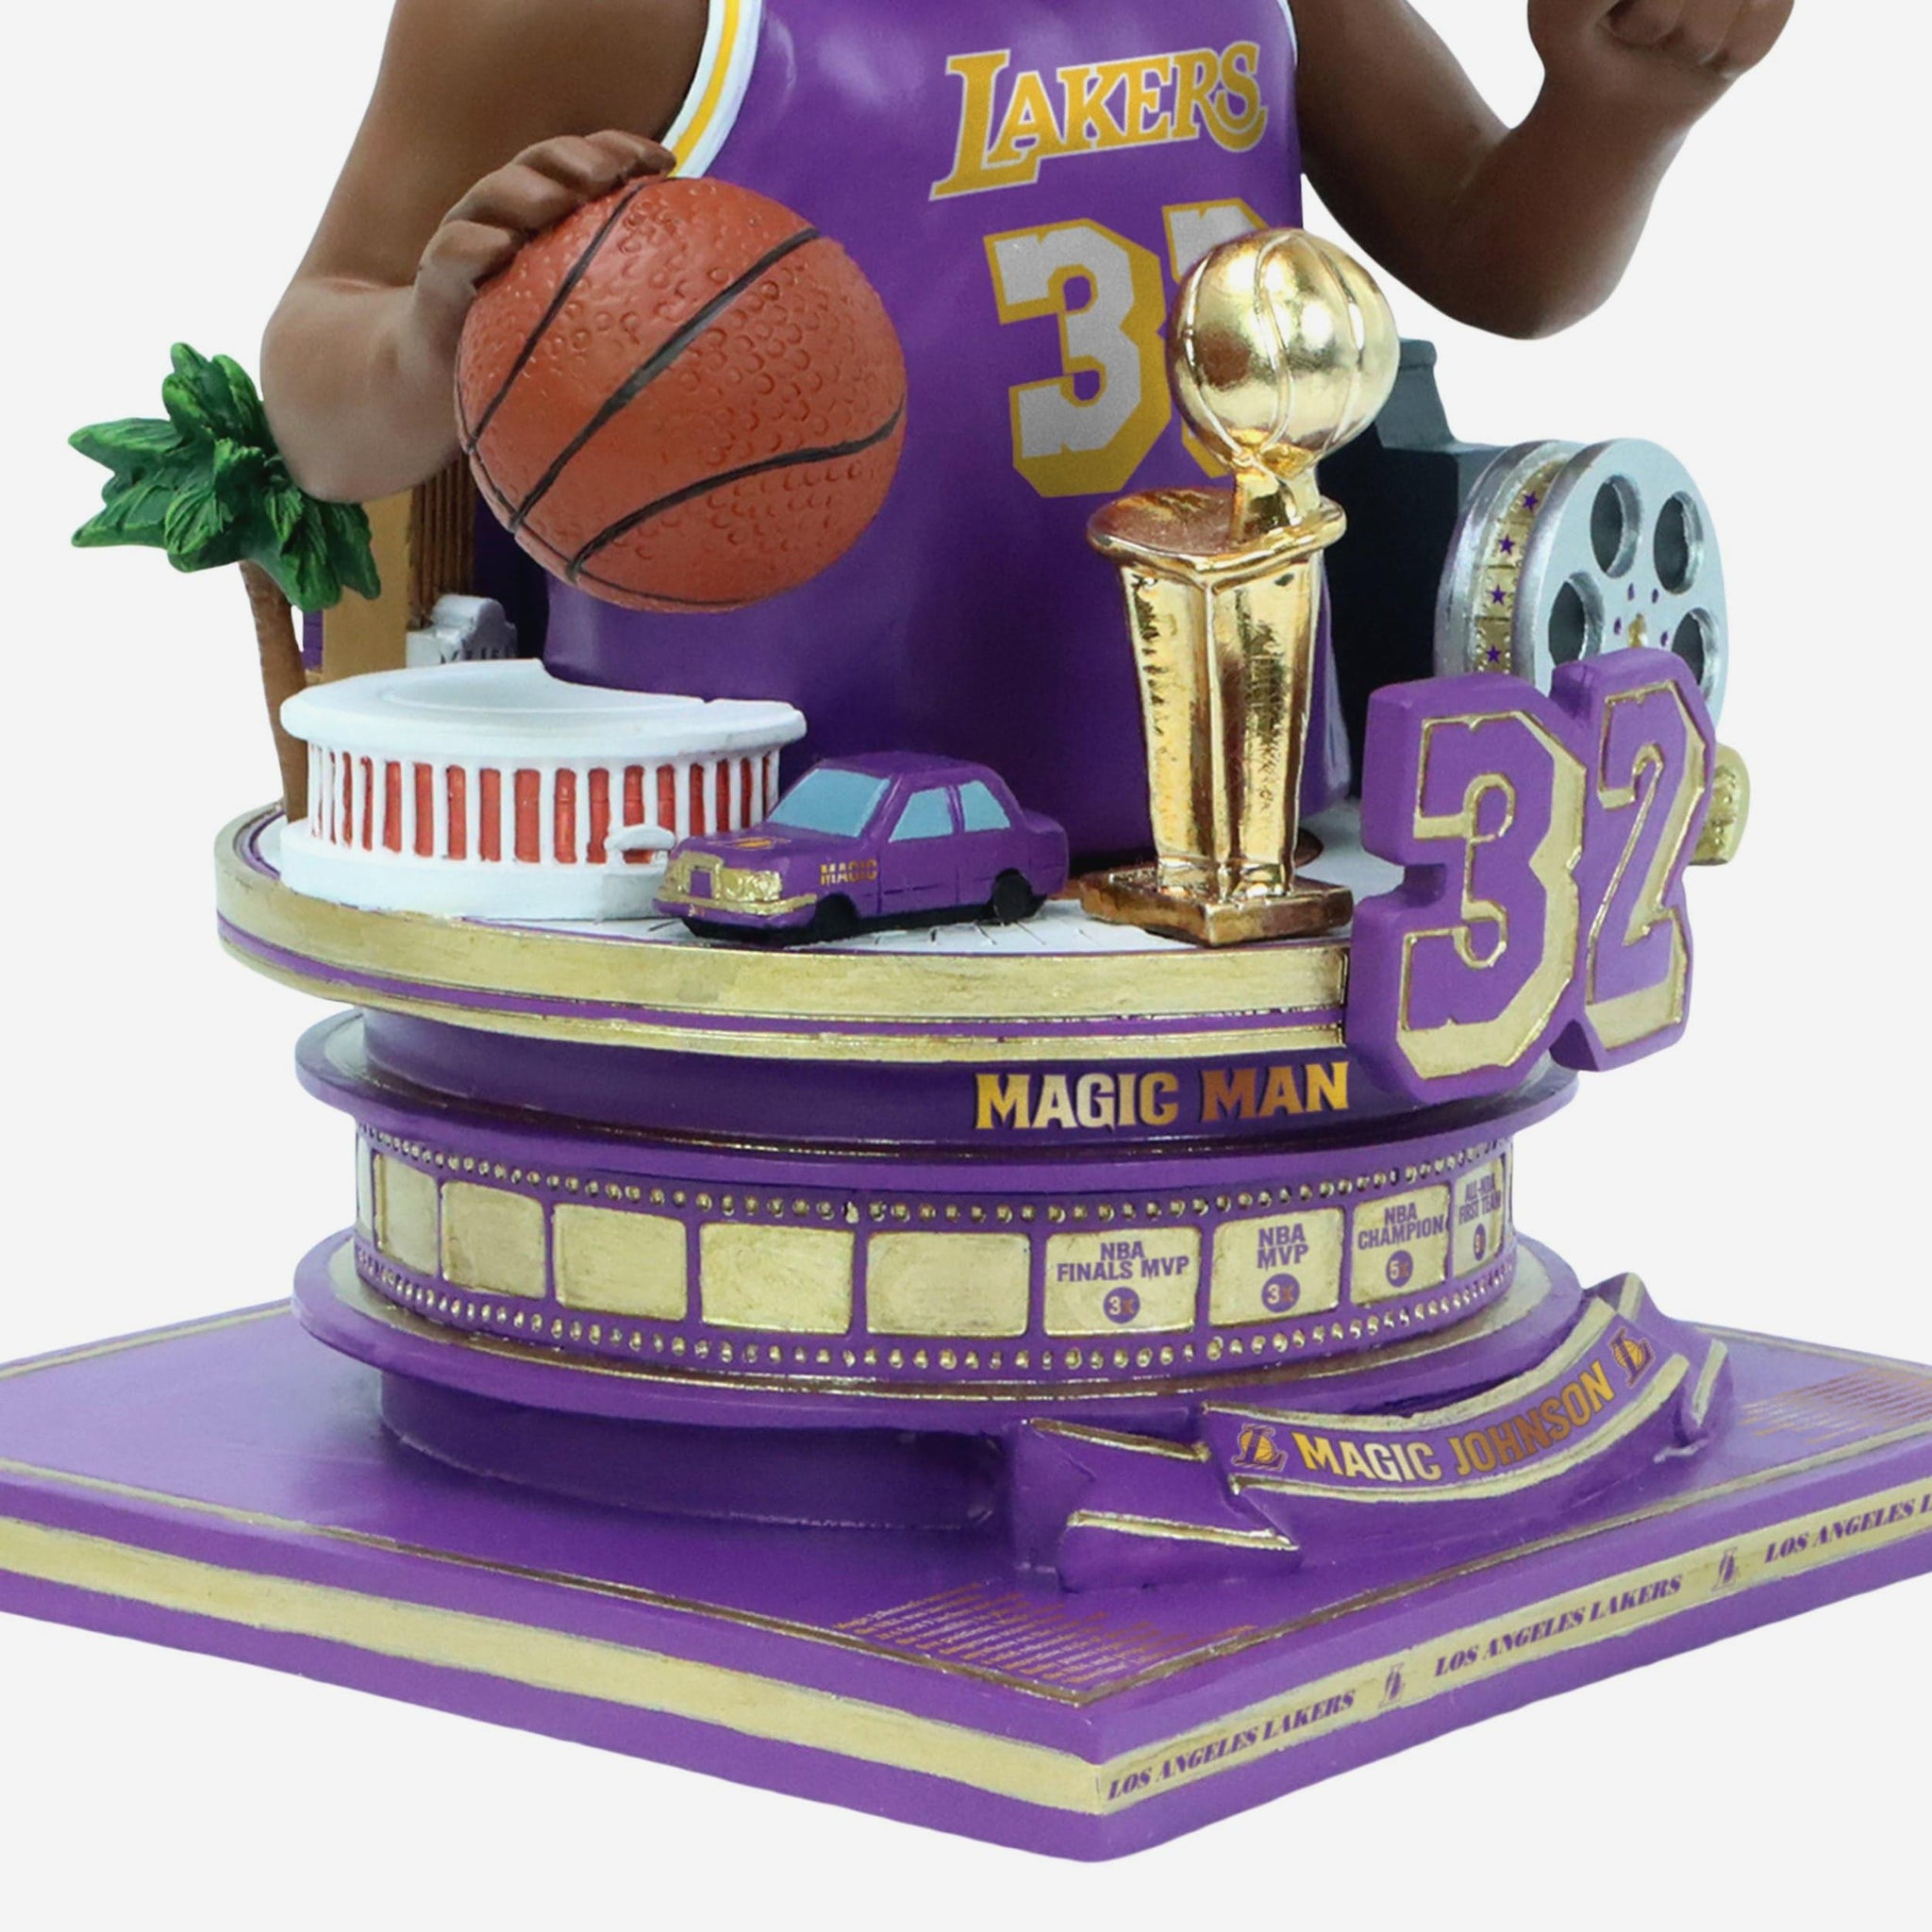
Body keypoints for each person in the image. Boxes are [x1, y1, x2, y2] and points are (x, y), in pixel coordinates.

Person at [263, 0, 1792, 860]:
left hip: (1234, 829)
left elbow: (1496, 257)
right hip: (753, 847)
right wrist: (428, 344)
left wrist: (1623, 105)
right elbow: (317, 400)